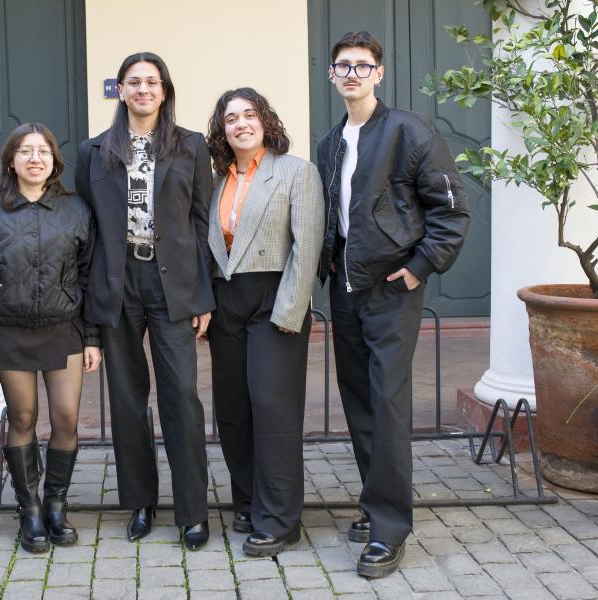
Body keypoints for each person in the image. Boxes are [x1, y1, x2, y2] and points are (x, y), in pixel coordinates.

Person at [317, 32, 470, 578]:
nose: (352, 74)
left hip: (391, 291)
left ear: (379, 74)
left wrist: (419, 269)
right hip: (345, 291)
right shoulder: (329, 143)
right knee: (359, 401)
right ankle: (375, 503)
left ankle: (388, 528)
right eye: (343, 66)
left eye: (363, 66)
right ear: (332, 76)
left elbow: (451, 210)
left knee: (387, 403)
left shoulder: (410, 131)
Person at [75, 52, 214, 550]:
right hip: (117, 284)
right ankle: (140, 502)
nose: (143, 90)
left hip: (171, 282)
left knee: (181, 397)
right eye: (134, 82)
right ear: (121, 90)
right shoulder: (94, 151)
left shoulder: (191, 147)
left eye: (152, 82)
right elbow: (87, 230)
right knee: (128, 400)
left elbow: (202, 225)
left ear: (164, 89)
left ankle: (193, 511)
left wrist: (203, 294)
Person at [0, 123, 101, 553]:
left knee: (65, 419)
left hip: (63, 330)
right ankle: (28, 512)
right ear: (11, 161)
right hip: (8, 332)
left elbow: (88, 276)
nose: (34, 158)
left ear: (53, 161)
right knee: (23, 418)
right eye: (25, 151)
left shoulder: (76, 210)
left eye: (43, 151)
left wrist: (92, 337)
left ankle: (56, 505)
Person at [205, 88, 324, 556]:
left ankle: (280, 520)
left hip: (275, 297)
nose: (240, 124)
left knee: (272, 407)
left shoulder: (296, 172)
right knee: (233, 409)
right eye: (230, 118)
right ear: (222, 130)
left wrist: (292, 309)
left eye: (249, 114)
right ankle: (249, 500)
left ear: (265, 120)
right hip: (225, 301)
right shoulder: (215, 180)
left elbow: (307, 244)